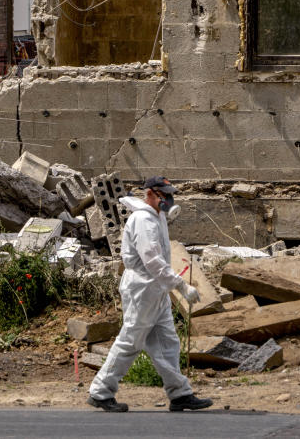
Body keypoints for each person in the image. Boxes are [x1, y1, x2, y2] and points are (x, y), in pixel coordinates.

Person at [87, 176, 213, 413]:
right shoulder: (143, 220)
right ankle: (100, 391)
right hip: (142, 289)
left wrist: (170, 285)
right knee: (130, 341)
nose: (170, 199)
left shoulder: (158, 217)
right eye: (165, 195)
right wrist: (181, 286)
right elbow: (152, 261)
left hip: (156, 289)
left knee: (167, 342)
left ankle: (180, 394)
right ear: (151, 195)